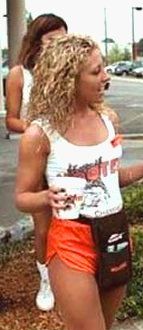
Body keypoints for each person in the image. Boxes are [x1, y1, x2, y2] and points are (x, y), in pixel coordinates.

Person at [14, 34, 143, 330]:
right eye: (96, 72)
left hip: (114, 235)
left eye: (104, 67)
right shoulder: (39, 133)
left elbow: (112, 179)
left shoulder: (107, 119)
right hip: (71, 243)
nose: (105, 77)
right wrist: (46, 196)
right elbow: (21, 198)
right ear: (69, 79)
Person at [5, 13, 68, 312]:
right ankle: (46, 279)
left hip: (69, 154)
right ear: (37, 40)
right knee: (44, 225)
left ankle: (72, 274)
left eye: (62, 38)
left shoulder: (68, 71)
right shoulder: (19, 74)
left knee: (72, 219)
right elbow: (11, 119)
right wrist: (36, 126)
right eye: (52, 38)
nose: (58, 44)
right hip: (37, 155)